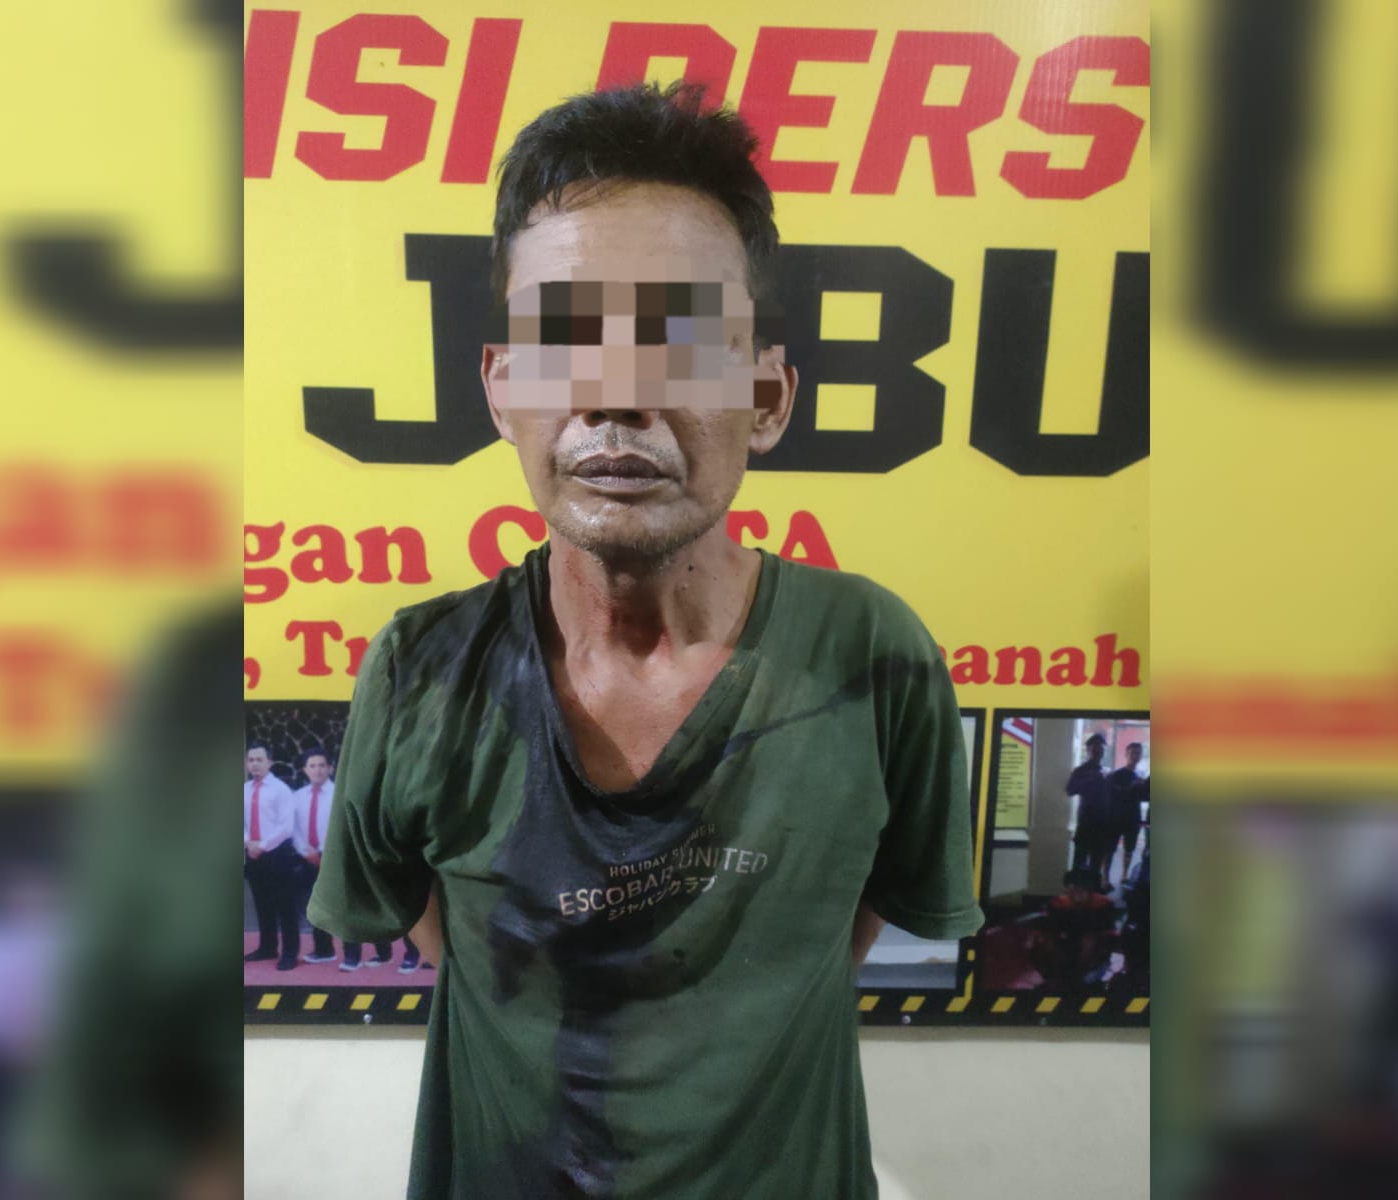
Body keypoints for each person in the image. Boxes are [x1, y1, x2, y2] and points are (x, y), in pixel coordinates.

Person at [309, 82, 984, 1200]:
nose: (616, 393)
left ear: (766, 396)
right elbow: (452, 945)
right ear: (501, 389)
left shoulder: (875, 657)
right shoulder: (421, 669)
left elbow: (834, 938)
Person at [243, 743, 301, 970]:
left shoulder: (281, 790)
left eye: (259, 760)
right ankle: (267, 947)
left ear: (269, 762)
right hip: (253, 854)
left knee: (285, 906)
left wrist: (263, 845)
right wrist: (248, 842)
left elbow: (286, 827)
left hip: (277, 854)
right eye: (251, 760)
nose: (255, 764)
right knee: (262, 903)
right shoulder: (244, 789)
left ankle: (290, 953)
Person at [293, 748, 339, 964]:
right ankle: (324, 949)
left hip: (332, 857)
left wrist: (322, 852)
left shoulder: (338, 794)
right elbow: (294, 829)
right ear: (305, 770)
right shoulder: (297, 797)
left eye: (322, 765)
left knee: (339, 905)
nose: (317, 770)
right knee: (313, 905)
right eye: (312, 766)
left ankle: (355, 954)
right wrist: (306, 852)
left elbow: (339, 827)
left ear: (330, 768)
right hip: (307, 858)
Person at [1065, 733, 1113, 887]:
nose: (1099, 751)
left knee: (1097, 861)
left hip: (1103, 823)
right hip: (1086, 822)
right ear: (1088, 750)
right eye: (1095, 748)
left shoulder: (1106, 771)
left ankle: (1093, 892)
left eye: (1101, 748)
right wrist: (1092, 778)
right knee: (1080, 860)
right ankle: (1076, 892)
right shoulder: (1080, 770)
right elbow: (1070, 790)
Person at [1106, 741, 1149, 881]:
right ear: (1126, 754)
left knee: (1129, 849)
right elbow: (1113, 794)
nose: (1136, 756)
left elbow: (1144, 797)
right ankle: (1105, 878)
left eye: (1138, 753)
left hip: (1133, 817)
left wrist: (1145, 787)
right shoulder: (1116, 775)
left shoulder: (1140, 776)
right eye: (1133, 752)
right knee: (1110, 849)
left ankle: (1124, 875)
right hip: (1116, 817)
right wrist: (1134, 786)